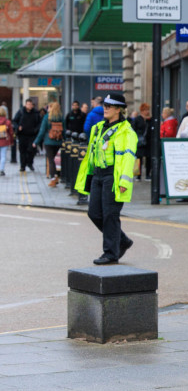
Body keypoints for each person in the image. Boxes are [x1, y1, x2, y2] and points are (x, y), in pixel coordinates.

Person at [74, 92, 138, 265]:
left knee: (110, 215)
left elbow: (127, 158)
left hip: (113, 177)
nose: (105, 108)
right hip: (97, 176)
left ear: (119, 109)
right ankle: (122, 241)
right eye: (105, 105)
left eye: (109, 106)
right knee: (94, 213)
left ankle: (110, 253)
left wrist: (124, 182)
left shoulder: (126, 132)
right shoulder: (98, 128)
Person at [34, 100, 64, 186]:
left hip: (49, 141)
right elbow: (64, 130)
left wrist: (36, 142)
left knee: (51, 161)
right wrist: (64, 140)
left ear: (52, 108)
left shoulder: (47, 117)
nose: (47, 108)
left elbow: (42, 131)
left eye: (49, 107)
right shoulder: (61, 117)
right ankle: (58, 176)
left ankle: (53, 179)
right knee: (58, 160)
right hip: (59, 141)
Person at [12, 98, 42, 172]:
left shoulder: (36, 113)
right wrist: (18, 127)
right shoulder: (21, 112)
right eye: (27, 104)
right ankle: (23, 166)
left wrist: (36, 129)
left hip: (32, 135)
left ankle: (29, 163)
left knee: (31, 150)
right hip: (22, 135)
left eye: (30, 104)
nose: (29, 106)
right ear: (25, 104)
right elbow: (14, 121)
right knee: (22, 151)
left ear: (32, 105)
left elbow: (40, 123)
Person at [135, 103, 153, 180]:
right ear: (141, 111)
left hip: (148, 142)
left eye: (148, 110)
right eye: (145, 110)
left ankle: (147, 175)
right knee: (138, 158)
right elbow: (134, 129)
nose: (147, 111)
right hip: (140, 142)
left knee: (148, 158)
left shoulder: (150, 119)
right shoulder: (138, 119)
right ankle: (138, 175)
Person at [0, 106, 13, 175]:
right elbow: (11, 132)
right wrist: (11, 141)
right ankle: (1, 169)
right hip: (4, 141)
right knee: (3, 156)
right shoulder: (7, 122)